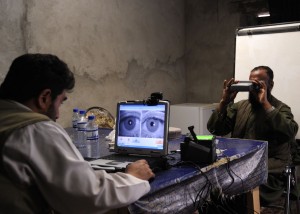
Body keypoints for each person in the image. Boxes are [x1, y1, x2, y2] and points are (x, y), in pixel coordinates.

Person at [0, 53, 155, 214]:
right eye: (60, 102)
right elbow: (87, 196)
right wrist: (132, 178)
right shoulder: (34, 129)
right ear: (44, 98)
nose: (58, 115)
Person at [207, 65, 298, 205]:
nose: (253, 87)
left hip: (269, 171)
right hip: (239, 166)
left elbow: (290, 132)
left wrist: (266, 105)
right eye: (251, 82)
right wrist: (224, 101)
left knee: (235, 190)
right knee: (209, 186)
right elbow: (215, 128)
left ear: (270, 85)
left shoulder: (280, 108)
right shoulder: (240, 106)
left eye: (258, 83)